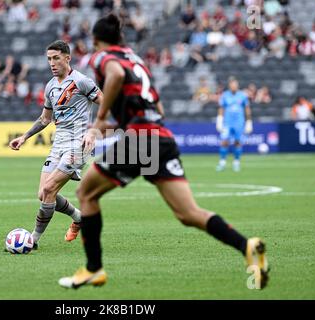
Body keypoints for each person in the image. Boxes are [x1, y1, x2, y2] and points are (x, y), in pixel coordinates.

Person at [58, 14, 269, 290]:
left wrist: (99, 122)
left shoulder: (102, 57)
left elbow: (116, 75)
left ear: (96, 40)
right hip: (160, 137)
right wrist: (117, 125)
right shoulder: (136, 59)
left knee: (85, 194)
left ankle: (94, 269)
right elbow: (159, 110)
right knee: (189, 214)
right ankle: (247, 246)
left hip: (141, 139)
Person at [8, 40, 103, 248]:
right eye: (49, 59)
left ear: (67, 58)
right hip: (58, 144)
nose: (52, 63)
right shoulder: (50, 86)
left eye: (56, 58)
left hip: (79, 144)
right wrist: (24, 137)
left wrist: (94, 131)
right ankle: (80, 218)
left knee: (50, 188)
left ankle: (33, 240)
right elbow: (45, 119)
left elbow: (106, 103)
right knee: (43, 194)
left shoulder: (81, 81)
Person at [216, 77, 252, 172]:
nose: (234, 86)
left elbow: (247, 108)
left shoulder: (243, 95)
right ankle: (222, 162)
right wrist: (219, 119)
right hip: (227, 122)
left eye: (235, 85)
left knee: (238, 142)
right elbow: (221, 108)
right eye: (232, 85)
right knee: (224, 141)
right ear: (229, 86)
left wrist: (249, 121)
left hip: (239, 122)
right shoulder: (225, 95)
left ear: (237, 86)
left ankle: (236, 162)